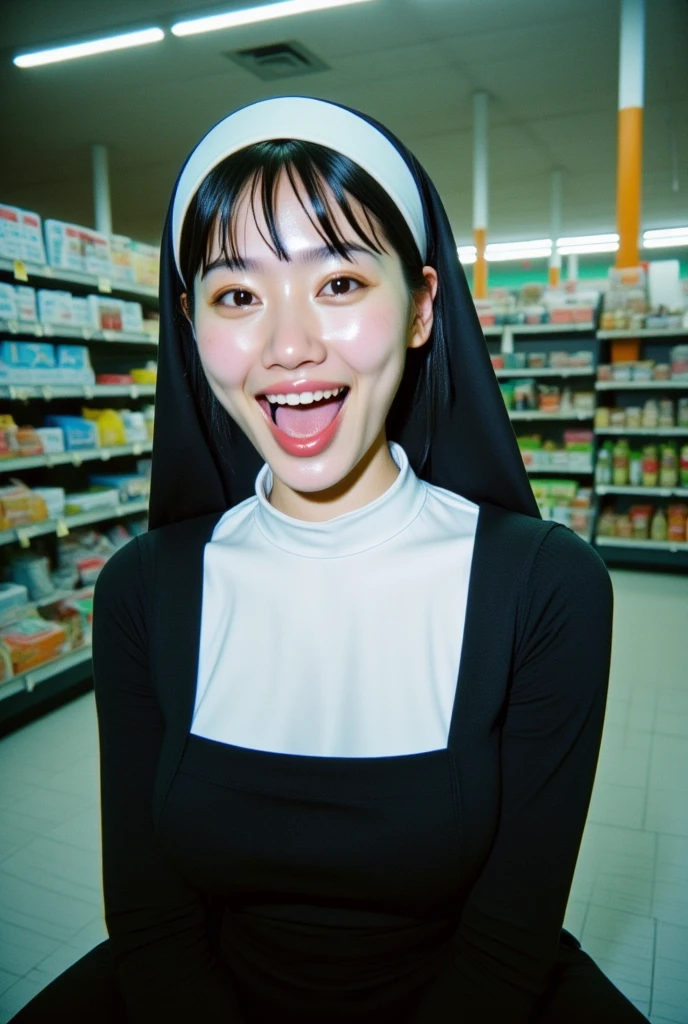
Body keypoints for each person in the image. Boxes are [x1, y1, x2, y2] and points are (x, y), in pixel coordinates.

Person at [12, 97, 649, 1024]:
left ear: (424, 306)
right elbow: (151, 920)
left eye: (340, 282)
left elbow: (508, 946)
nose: (289, 347)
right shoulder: (142, 591)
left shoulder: (548, 590)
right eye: (237, 295)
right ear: (190, 326)